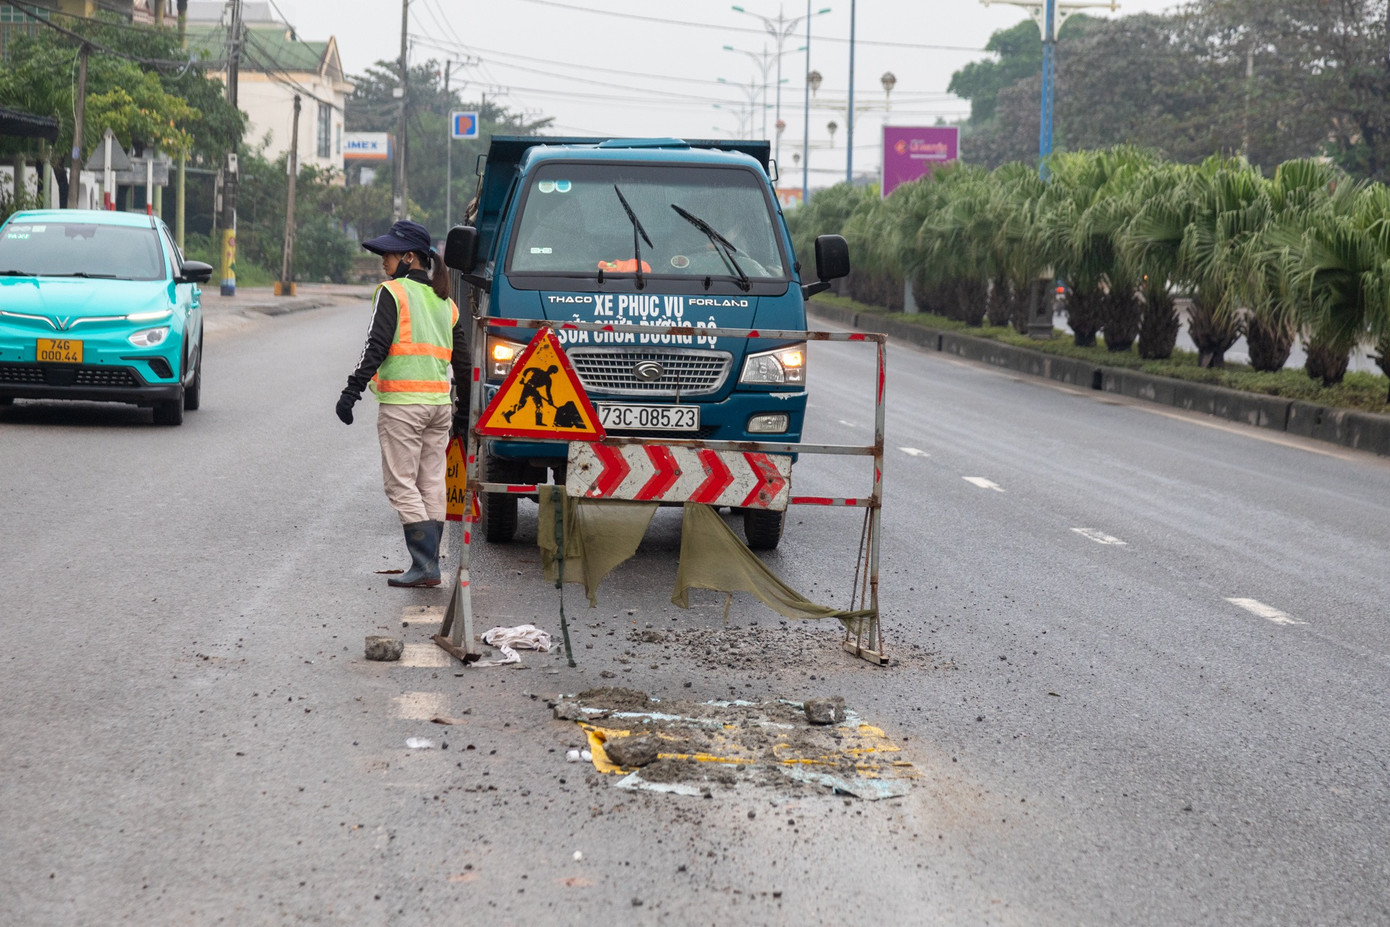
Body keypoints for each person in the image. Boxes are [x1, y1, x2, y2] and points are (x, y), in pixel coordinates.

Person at [336, 220, 468, 588]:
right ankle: (429, 565)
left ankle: (425, 565)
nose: (383, 261)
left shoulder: (392, 293)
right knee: (430, 483)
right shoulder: (446, 302)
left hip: (403, 406)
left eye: (389, 255)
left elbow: (375, 346)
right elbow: (465, 363)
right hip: (439, 407)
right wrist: (463, 413)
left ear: (409, 257)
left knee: (400, 485)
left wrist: (351, 392)